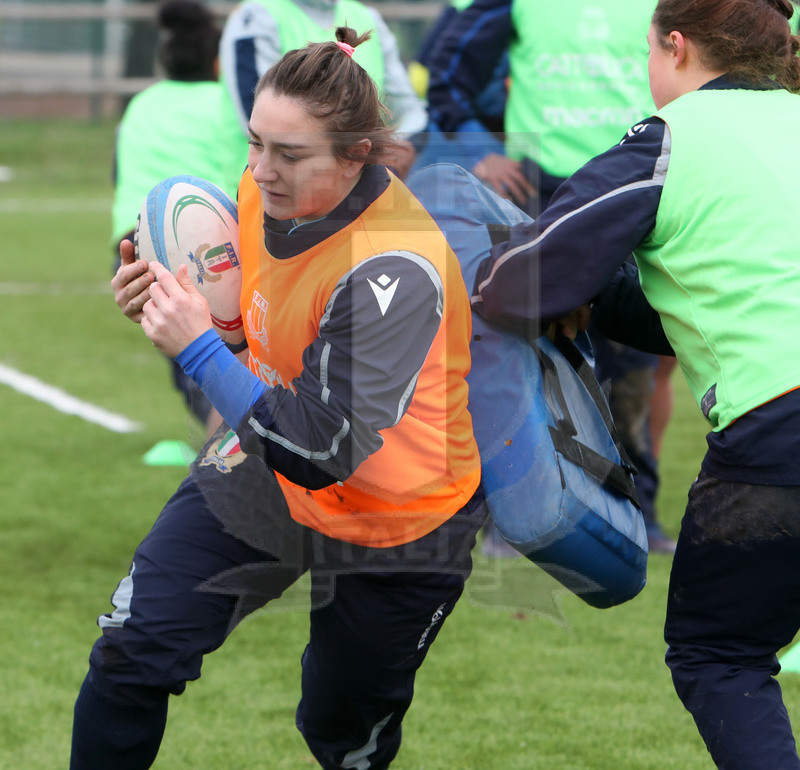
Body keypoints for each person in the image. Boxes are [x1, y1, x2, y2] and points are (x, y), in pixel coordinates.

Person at [71, 27, 485, 770]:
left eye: (289, 154)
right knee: (133, 652)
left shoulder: (393, 265)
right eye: (256, 142)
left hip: (397, 514)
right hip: (265, 462)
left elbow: (321, 449)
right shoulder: (259, 189)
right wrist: (168, 299)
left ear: (356, 155)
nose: (261, 170)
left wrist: (195, 347)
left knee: (340, 732)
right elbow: (242, 323)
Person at [472, 0, 800, 765]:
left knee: (720, 656)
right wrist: (596, 297)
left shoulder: (672, 138)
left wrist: (544, 287)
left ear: (675, 47)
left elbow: (518, 283)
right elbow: (702, 306)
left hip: (779, 428)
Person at [425, 0, 677, 552]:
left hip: (633, 194)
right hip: (539, 195)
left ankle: (637, 515)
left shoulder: (667, 8)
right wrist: (482, 149)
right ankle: (508, 516)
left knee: (632, 369)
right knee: (518, 364)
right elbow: (446, 72)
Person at [111, 0, 245, 435]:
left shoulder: (141, 104)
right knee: (225, 355)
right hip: (204, 247)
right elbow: (243, 181)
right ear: (218, 62)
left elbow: (119, 174)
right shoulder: (228, 105)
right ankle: (229, 443)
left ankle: (222, 439)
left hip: (133, 248)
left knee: (185, 349)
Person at [218, 0, 427, 177]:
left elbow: (408, 110)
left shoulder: (368, 19)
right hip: (261, 195)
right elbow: (258, 116)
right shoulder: (255, 16)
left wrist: (398, 148)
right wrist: (363, 155)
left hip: (352, 195)